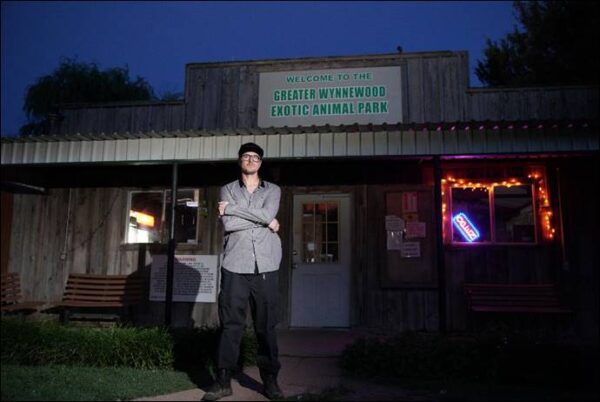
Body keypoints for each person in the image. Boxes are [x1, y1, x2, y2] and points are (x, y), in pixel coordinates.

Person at [202, 142, 284, 401]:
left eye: (255, 157)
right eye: (246, 156)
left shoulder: (273, 190)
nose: (251, 160)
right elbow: (229, 223)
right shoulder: (227, 188)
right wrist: (265, 221)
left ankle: (270, 381)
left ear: (261, 163)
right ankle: (223, 381)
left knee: (266, 327)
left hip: (266, 266)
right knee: (231, 325)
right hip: (234, 266)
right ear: (240, 161)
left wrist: (234, 209)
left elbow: (267, 212)